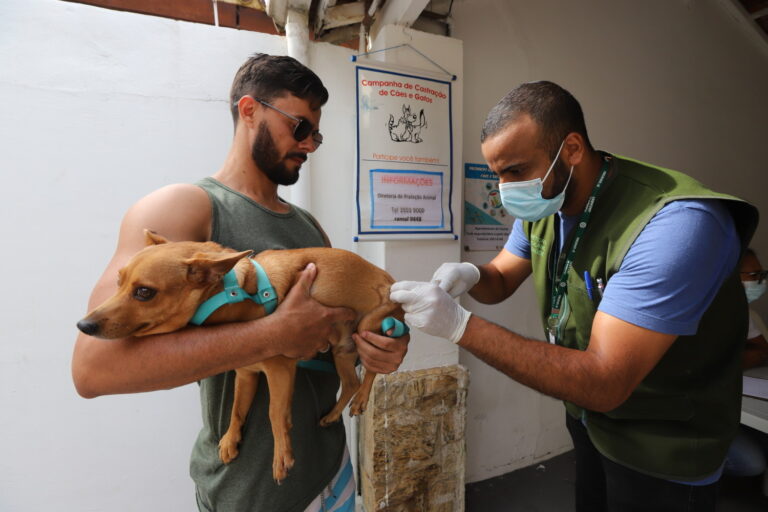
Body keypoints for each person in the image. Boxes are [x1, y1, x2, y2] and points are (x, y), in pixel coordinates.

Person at [390, 81, 758, 511]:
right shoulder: (548, 203)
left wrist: (458, 326)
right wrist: (471, 274)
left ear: (572, 149)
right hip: (589, 421)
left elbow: (605, 381)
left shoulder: (677, 225)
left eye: (516, 170)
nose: (506, 189)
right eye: (498, 173)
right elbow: (502, 278)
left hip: (663, 446)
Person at [72, 53, 409, 512]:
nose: (310, 145)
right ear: (250, 110)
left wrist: (380, 344)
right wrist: (272, 333)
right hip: (250, 495)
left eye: (317, 134)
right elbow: (94, 370)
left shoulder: (308, 227)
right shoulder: (180, 208)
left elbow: (334, 338)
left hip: (333, 470)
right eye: (300, 127)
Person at [724, 248, 768, 479]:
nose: (761, 282)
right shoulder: (701, 312)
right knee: (752, 463)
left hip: (737, 400)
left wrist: (727, 362)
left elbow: (761, 349)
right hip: (703, 412)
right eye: (755, 276)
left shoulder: (743, 311)